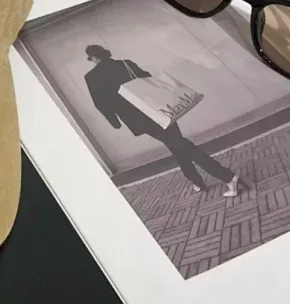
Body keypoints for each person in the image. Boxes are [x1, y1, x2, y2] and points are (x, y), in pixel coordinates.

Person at [83, 44, 240, 196]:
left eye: (90, 59)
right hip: (159, 110)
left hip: (139, 119)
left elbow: (100, 103)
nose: (91, 61)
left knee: (180, 145)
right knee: (177, 145)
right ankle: (196, 180)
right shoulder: (125, 64)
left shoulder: (92, 77)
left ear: (94, 57)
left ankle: (227, 176)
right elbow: (148, 79)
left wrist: (115, 122)